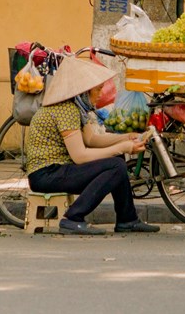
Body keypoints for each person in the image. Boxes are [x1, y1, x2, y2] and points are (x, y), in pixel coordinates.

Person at [25, 56, 159, 235]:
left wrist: (126, 137)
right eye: (98, 89)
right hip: (46, 174)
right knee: (117, 165)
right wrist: (123, 147)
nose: (101, 94)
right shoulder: (65, 109)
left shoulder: (76, 108)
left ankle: (127, 219)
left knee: (116, 160)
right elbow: (79, 156)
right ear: (84, 91)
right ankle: (72, 218)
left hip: (57, 170)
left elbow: (91, 140)